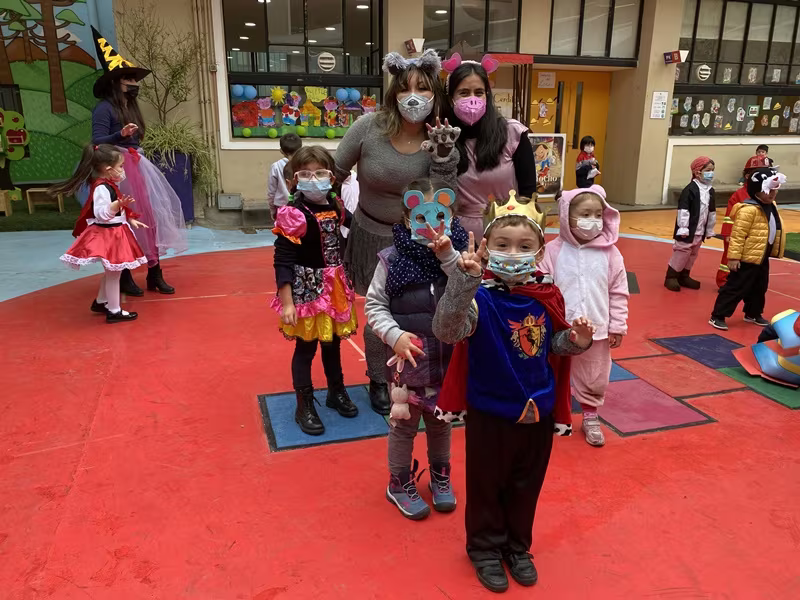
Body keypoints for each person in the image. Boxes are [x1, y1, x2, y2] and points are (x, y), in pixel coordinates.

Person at [432, 192, 594, 593]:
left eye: (524, 246)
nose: (513, 253)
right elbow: (447, 330)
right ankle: (485, 548)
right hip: (491, 409)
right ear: (487, 247)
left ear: (539, 252)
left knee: (526, 483)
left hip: (538, 407)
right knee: (487, 482)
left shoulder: (548, 295)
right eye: (503, 245)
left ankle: (517, 546)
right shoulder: (479, 298)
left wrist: (577, 341)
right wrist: (463, 282)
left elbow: (553, 346)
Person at [335, 49, 461, 416]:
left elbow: (444, 196)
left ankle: (422, 374)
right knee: (378, 309)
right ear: (394, 92)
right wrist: (325, 215)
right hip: (369, 233)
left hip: (419, 242)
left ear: (434, 94)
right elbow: (335, 171)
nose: (414, 96)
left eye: (423, 88)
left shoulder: (440, 137)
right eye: (406, 88)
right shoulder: (368, 127)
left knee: (417, 310)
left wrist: (443, 157)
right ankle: (379, 378)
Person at [364, 179, 469, 520]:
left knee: (441, 424)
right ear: (408, 218)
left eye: (440, 215)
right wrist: (393, 335)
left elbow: (467, 289)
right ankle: (398, 482)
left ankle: (440, 475)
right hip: (408, 363)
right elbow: (374, 305)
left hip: (447, 361)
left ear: (452, 217)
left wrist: (447, 255)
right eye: (421, 217)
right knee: (403, 426)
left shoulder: (460, 258)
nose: (431, 225)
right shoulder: (392, 259)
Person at [89, 27, 188, 298]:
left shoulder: (130, 107)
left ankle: (155, 272)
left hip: (136, 164)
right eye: (128, 79)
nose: (134, 83)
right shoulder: (104, 109)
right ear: (115, 82)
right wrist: (119, 135)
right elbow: (97, 141)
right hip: (118, 168)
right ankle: (124, 274)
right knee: (124, 220)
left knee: (148, 217)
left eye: (134, 78)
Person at [272, 146, 358, 436]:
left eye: (320, 173)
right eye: (306, 174)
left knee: (333, 343)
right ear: (294, 181)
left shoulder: (337, 206)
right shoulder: (293, 214)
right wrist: (287, 303)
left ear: (331, 178)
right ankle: (304, 403)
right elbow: (283, 260)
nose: (314, 179)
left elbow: (356, 228)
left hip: (334, 288)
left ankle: (336, 390)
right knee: (306, 347)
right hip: (307, 291)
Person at [539, 185, 628, 447]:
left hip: (596, 328)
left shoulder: (610, 253)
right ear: (567, 216)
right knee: (552, 370)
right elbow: (541, 287)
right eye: (585, 214)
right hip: (559, 328)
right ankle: (551, 412)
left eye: (598, 214)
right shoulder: (552, 251)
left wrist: (617, 325)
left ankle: (590, 415)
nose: (593, 221)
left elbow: (618, 290)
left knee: (594, 373)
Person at [442, 53, 538, 240]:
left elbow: (529, 193)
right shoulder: (443, 138)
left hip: (506, 233)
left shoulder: (513, 133)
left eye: (479, 92)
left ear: (487, 95)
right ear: (451, 97)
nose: (472, 99)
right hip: (457, 237)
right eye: (464, 93)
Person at [55, 144, 148, 323]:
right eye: (120, 166)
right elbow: (101, 214)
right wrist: (117, 205)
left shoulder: (109, 185)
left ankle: (101, 302)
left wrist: (129, 218)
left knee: (112, 272)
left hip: (116, 232)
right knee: (114, 274)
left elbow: (117, 211)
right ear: (108, 169)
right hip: (110, 235)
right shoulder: (101, 188)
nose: (123, 170)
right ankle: (114, 310)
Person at [709, 167, 786, 331]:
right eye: (769, 191)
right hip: (746, 257)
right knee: (736, 287)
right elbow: (738, 235)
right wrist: (734, 257)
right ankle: (718, 315)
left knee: (760, 286)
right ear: (757, 191)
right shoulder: (749, 210)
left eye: (775, 190)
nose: (773, 194)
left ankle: (753, 312)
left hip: (761, 255)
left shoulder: (771, 205)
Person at [664, 156, 717, 292]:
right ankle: (671, 276)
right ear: (697, 172)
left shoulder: (710, 191)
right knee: (682, 252)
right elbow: (683, 210)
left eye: (712, 170)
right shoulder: (690, 190)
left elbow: (711, 211)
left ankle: (684, 275)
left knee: (693, 254)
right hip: (688, 230)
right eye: (708, 170)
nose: (711, 173)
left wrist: (709, 229)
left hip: (699, 231)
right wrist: (683, 227)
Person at [717, 155, 770, 287]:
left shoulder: (766, 194)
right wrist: (728, 234)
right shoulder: (739, 195)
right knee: (730, 258)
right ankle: (724, 280)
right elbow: (730, 217)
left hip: (753, 236)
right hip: (737, 235)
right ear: (747, 175)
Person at [268, 133, 302, 221]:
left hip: (281, 207)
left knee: (282, 228)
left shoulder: (276, 166)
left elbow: (271, 191)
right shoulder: (303, 165)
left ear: (281, 151)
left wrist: (272, 210)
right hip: (300, 206)